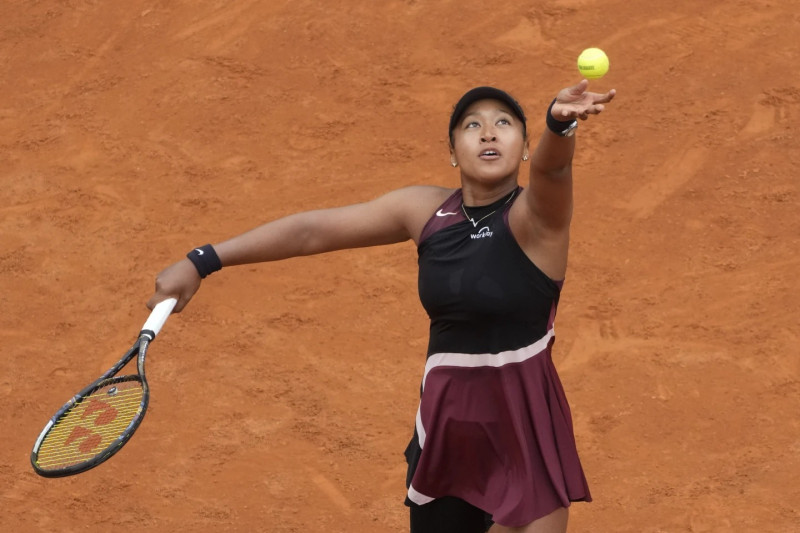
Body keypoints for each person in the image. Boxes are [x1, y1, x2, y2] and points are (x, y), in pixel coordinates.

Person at [147, 79, 616, 533]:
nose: (488, 132)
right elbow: (315, 231)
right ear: (452, 152)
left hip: (525, 433)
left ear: (525, 147)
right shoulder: (426, 211)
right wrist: (203, 260)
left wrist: (559, 125)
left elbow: (554, 171)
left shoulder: (537, 218)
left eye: (504, 123)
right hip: (448, 433)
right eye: (471, 125)